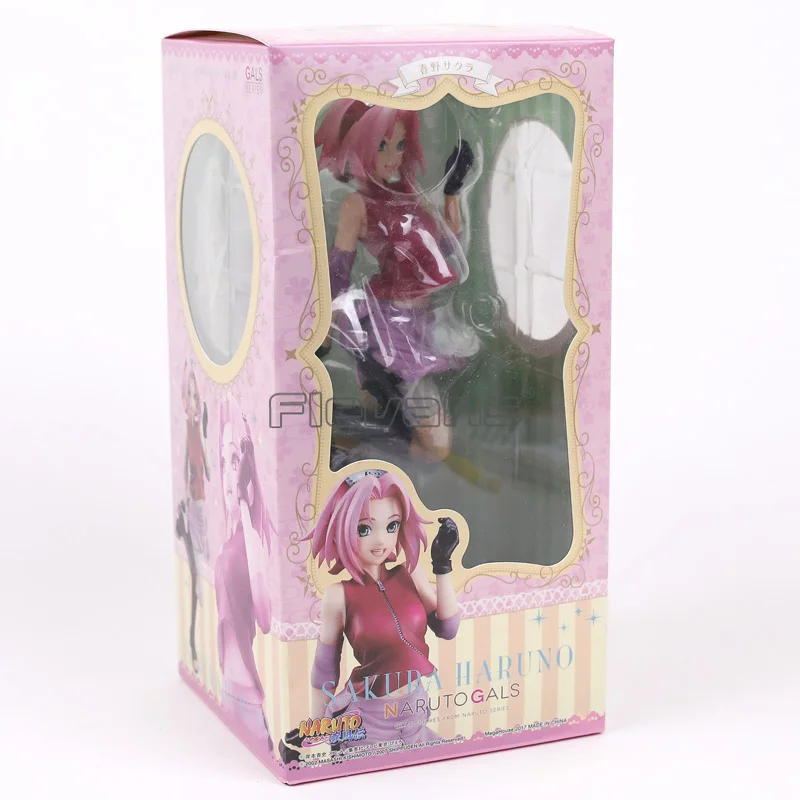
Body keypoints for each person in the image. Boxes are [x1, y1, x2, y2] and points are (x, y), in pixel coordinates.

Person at [315, 100, 479, 463]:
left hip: (422, 320)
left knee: (388, 422)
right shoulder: (356, 205)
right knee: (434, 446)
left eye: (401, 145)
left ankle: (342, 446)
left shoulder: (409, 193)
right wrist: (324, 328)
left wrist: (453, 190)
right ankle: (333, 431)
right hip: (387, 325)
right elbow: (339, 269)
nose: (393, 157)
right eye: (382, 146)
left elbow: (446, 244)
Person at [290, 469, 461, 754]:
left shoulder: (410, 574)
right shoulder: (339, 595)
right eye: (364, 529)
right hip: (367, 720)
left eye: (391, 526)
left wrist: (442, 565)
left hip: (414, 711)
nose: (381, 541)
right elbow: (325, 669)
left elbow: (448, 628)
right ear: (343, 530)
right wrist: (317, 728)